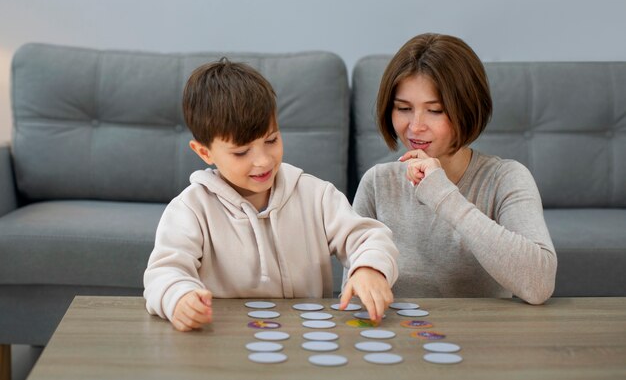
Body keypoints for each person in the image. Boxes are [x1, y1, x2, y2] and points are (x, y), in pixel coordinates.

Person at [144, 58, 398, 331]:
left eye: (271, 140)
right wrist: (178, 297)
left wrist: (369, 268)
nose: (263, 161)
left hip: (307, 335)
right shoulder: (191, 209)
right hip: (227, 339)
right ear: (204, 152)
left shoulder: (316, 196)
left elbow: (369, 237)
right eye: (242, 152)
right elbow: (164, 272)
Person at [353, 33, 557, 305]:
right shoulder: (377, 183)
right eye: (403, 108)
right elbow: (355, 295)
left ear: (466, 108)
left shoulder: (506, 179)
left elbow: (539, 284)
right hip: (401, 339)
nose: (415, 126)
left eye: (435, 111)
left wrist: (443, 195)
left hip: (481, 341)